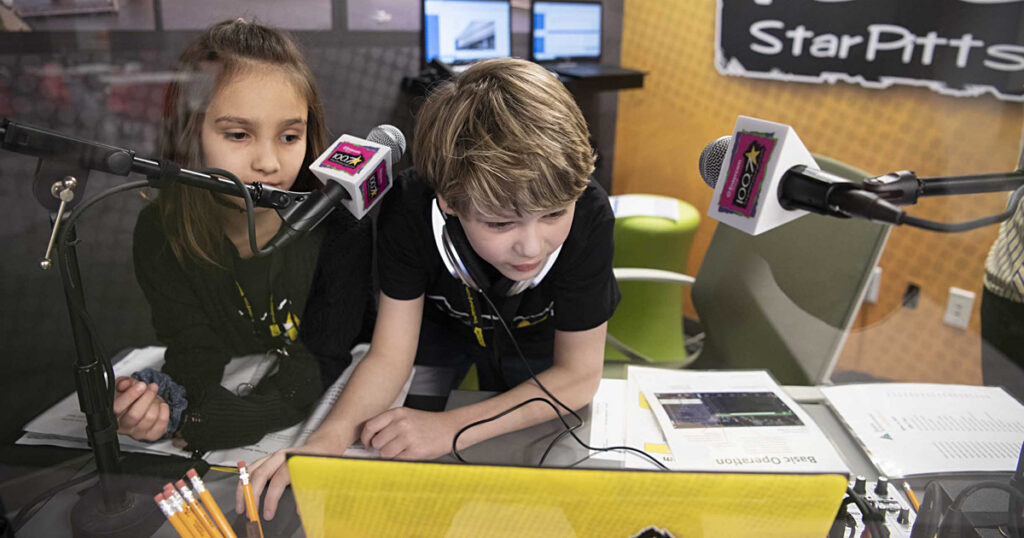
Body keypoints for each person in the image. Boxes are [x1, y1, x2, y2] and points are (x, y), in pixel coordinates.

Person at [242, 57, 619, 520]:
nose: (532, 245)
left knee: (533, 468)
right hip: (438, 334)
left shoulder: (591, 213)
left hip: (539, 342)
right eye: (501, 222)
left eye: (554, 215)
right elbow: (390, 356)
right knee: (405, 459)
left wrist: (451, 428)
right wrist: (324, 443)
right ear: (449, 201)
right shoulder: (410, 209)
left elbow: (578, 375)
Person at [112, 19, 373, 452]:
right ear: (187, 135)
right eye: (238, 134)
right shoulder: (161, 233)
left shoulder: (339, 224)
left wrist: (256, 415)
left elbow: (327, 355)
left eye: (290, 136)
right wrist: (167, 407)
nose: (269, 162)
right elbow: (192, 350)